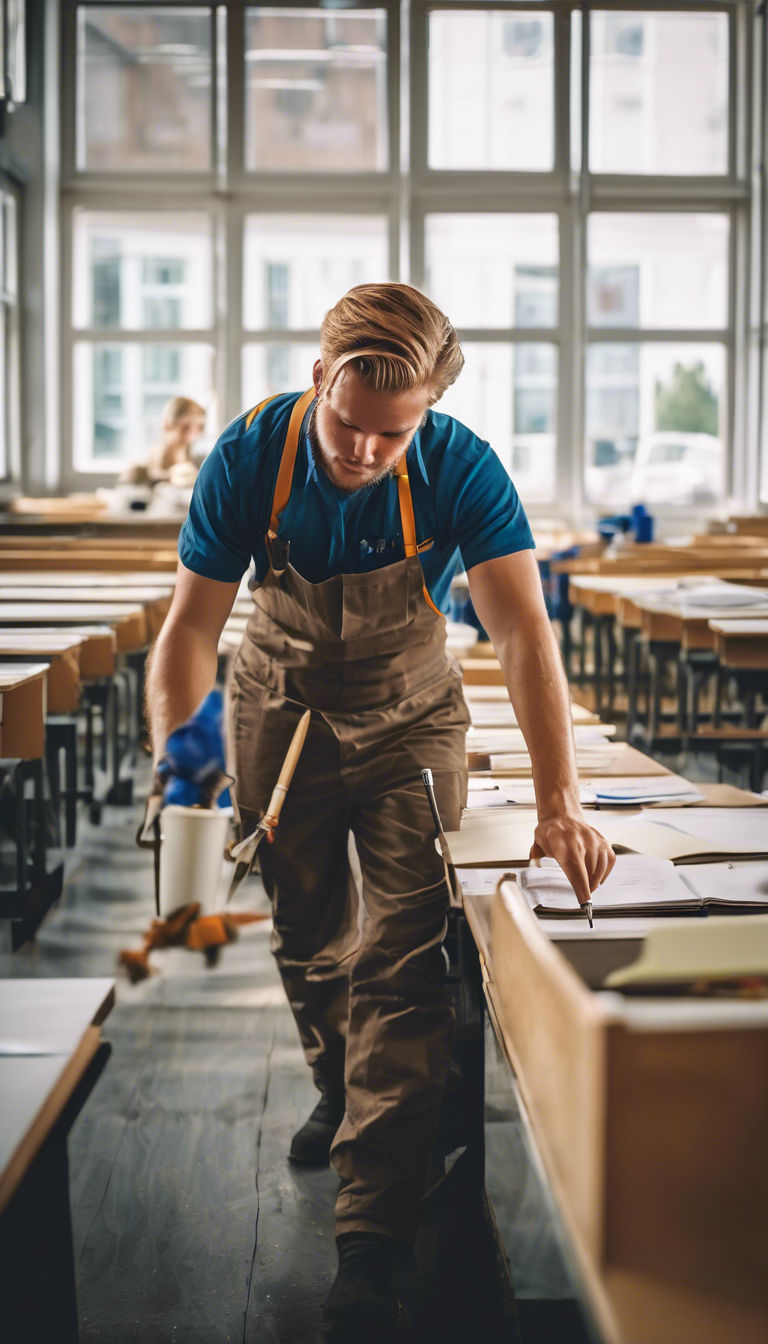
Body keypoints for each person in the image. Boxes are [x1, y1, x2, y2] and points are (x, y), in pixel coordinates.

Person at [145, 283, 615, 1343]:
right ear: (319, 376)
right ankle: (340, 1081)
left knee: (402, 956)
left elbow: (524, 636)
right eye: (346, 419)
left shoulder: (460, 467)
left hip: (410, 713)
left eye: (388, 435)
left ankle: (373, 1227)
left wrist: (560, 799)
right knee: (310, 933)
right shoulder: (248, 456)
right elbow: (187, 631)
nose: (360, 448)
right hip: (278, 703)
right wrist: (183, 752)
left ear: (430, 414)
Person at [119, 395, 206, 487]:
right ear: (168, 425)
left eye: (198, 427)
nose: (192, 432)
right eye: (185, 427)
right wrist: (171, 475)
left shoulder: (193, 457)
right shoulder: (155, 455)